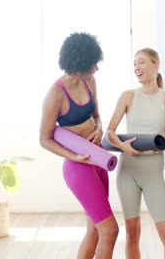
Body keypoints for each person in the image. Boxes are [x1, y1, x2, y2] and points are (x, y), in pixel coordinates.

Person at [39, 32, 118, 258]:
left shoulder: (90, 81)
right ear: (80, 61)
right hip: (78, 167)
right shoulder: (55, 94)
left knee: (95, 229)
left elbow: (96, 115)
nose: (97, 68)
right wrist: (72, 156)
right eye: (94, 63)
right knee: (110, 230)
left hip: (99, 158)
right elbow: (44, 139)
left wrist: (99, 128)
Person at [106, 48, 165, 259]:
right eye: (135, 63)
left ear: (156, 65)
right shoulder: (128, 96)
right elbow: (110, 131)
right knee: (132, 233)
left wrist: (160, 145)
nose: (137, 67)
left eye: (142, 62)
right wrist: (123, 147)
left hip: (153, 175)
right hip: (127, 171)